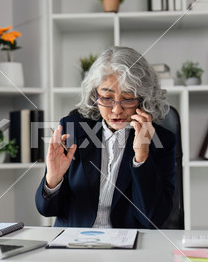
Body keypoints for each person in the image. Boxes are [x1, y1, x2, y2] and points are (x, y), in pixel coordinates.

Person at [35, 46, 175, 229]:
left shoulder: (162, 141)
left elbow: (152, 219)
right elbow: (47, 209)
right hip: (74, 244)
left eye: (128, 98)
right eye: (107, 98)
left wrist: (142, 157)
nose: (117, 110)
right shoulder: (73, 129)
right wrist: (53, 179)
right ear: (95, 96)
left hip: (127, 247)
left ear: (143, 98)